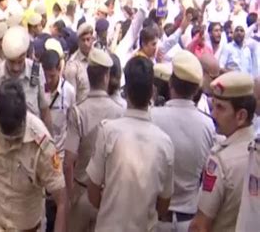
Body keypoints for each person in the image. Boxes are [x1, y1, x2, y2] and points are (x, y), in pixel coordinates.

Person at [86, 56, 175, 231]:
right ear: (153, 92)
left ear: (125, 91)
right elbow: (164, 204)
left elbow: (92, 192)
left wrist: (112, 210)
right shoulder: (165, 142)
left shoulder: (108, 131)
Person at [0, 80, 67, 232]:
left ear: (24, 116)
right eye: (6, 135)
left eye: (14, 134)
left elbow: (62, 201)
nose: (9, 141)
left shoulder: (42, 146)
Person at [151, 50, 216, 232]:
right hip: (188, 220)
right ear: (197, 90)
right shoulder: (207, 125)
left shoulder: (153, 116)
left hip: (156, 218)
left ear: (170, 83)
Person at [64, 48, 123, 232]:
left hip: (81, 191)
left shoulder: (78, 111)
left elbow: (68, 161)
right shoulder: (119, 112)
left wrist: (70, 193)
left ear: (88, 77)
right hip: (107, 196)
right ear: (106, 77)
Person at [189, 71, 257, 232]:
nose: (213, 114)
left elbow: (200, 226)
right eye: (214, 105)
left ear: (241, 116)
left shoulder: (220, 161)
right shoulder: (256, 152)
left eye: (220, 108)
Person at [0, 26, 53, 132]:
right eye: (11, 62)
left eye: (20, 61)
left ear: (26, 54)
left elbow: (44, 110)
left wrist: (50, 142)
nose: (15, 68)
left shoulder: (35, 71)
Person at [41, 49, 76, 159]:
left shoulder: (69, 91)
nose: (48, 80)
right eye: (45, 76)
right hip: (40, 152)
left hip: (59, 154)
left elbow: (71, 125)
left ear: (59, 69)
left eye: (52, 76)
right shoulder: (37, 88)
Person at [64, 23, 94, 103]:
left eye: (88, 39)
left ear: (92, 39)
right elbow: (71, 97)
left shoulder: (98, 57)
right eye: (83, 40)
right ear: (78, 42)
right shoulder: (73, 64)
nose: (86, 43)